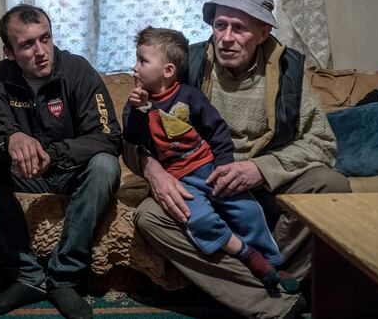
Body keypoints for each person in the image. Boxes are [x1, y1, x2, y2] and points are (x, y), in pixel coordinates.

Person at [132, 0, 350, 319]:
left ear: (263, 33)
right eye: (220, 26)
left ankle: (258, 278)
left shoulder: (288, 70)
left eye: (240, 28)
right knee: (149, 216)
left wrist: (261, 169)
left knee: (332, 185)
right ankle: (273, 301)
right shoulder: (185, 64)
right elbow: (130, 138)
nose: (226, 38)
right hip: (198, 183)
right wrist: (153, 170)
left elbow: (321, 142)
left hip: (261, 183)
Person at [0, 4, 122, 319]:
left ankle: (64, 278)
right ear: (9, 51)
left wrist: (54, 155)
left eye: (45, 39)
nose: (41, 51)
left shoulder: (77, 71)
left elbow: (109, 137)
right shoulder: (2, 76)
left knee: (105, 165)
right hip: (25, 175)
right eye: (28, 44)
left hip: (71, 173)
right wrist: (11, 140)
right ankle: (27, 277)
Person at [123, 26, 299, 296]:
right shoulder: (136, 103)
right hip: (179, 180)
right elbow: (134, 139)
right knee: (199, 220)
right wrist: (139, 110)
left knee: (247, 211)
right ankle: (250, 257)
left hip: (208, 168)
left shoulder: (190, 96)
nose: (134, 67)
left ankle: (274, 265)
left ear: (168, 70)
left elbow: (217, 131)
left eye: (142, 61)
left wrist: (222, 166)